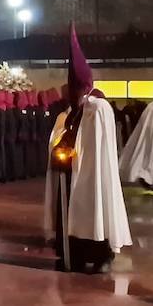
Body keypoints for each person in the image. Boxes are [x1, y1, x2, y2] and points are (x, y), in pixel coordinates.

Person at [44, 27, 132, 274]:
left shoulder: (98, 107)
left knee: (94, 211)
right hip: (71, 172)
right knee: (71, 215)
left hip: (93, 175)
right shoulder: (73, 111)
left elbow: (93, 140)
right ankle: (74, 255)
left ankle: (99, 254)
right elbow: (65, 134)